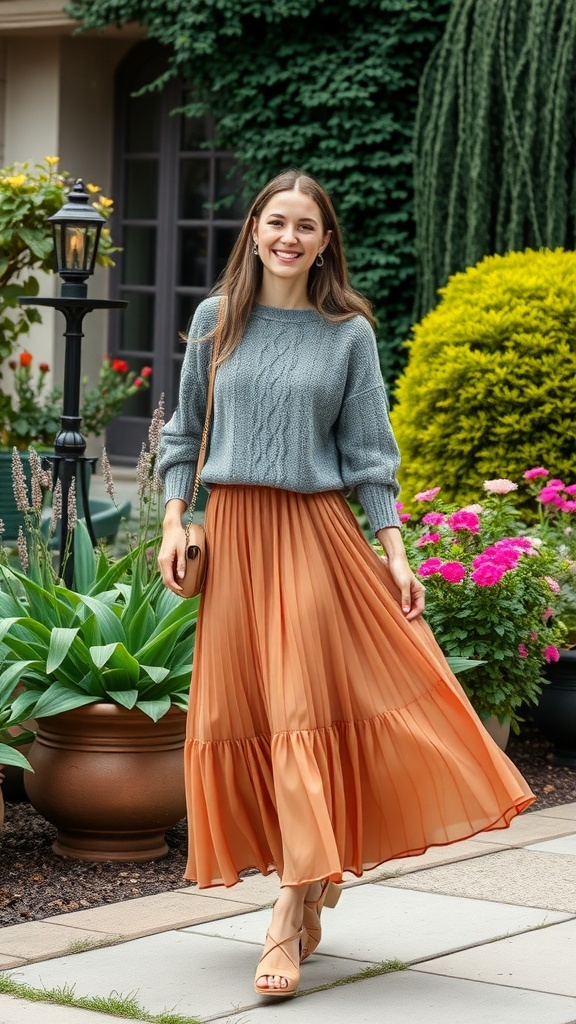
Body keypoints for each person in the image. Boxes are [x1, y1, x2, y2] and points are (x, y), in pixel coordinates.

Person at [157, 169, 534, 998]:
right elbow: (183, 433)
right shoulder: (214, 321)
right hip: (234, 543)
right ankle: (313, 873)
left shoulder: (347, 335)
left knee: (298, 714)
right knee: (241, 715)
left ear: (326, 242)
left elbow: (371, 454)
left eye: (307, 226)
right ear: (254, 228)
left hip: (316, 541)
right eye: (276, 221)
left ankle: (287, 918)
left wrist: (396, 552)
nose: (289, 237)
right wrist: (173, 522)